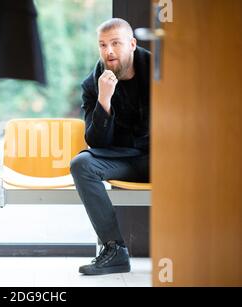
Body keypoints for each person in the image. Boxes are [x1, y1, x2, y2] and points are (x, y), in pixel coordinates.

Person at [70, 18, 150, 275]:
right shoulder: (92, 85)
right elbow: (96, 142)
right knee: (81, 164)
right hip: (121, 160)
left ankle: (195, 245)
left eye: (116, 43)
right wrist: (104, 100)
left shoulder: (161, 73)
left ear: (132, 44)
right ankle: (115, 250)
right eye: (103, 45)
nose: (109, 51)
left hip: (160, 158)